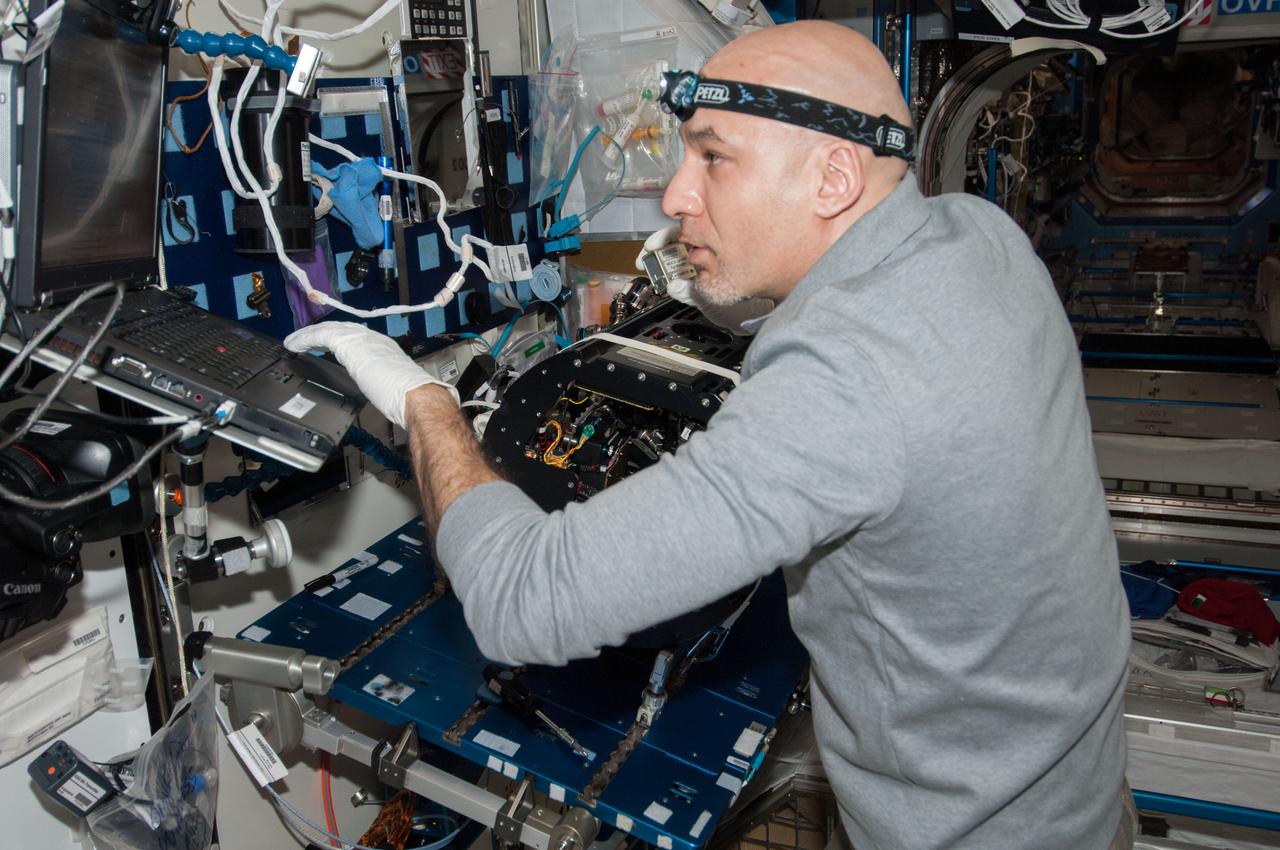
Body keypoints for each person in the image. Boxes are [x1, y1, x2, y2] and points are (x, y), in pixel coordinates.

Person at [285, 20, 1133, 850]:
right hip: (1075, 788)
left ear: (834, 177)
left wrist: (427, 405)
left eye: (714, 157)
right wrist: (767, 302)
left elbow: (520, 601)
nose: (675, 194)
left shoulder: (848, 379)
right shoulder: (979, 234)